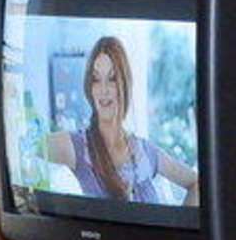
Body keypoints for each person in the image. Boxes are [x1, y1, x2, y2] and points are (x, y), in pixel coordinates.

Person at [45, 36, 197, 206]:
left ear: (124, 84)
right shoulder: (77, 146)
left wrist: (180, 223)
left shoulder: (146, 152)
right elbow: (27, 146)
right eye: (96, 79)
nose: (103, 90)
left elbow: (196, 183)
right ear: (90, 87)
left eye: (112, 78)